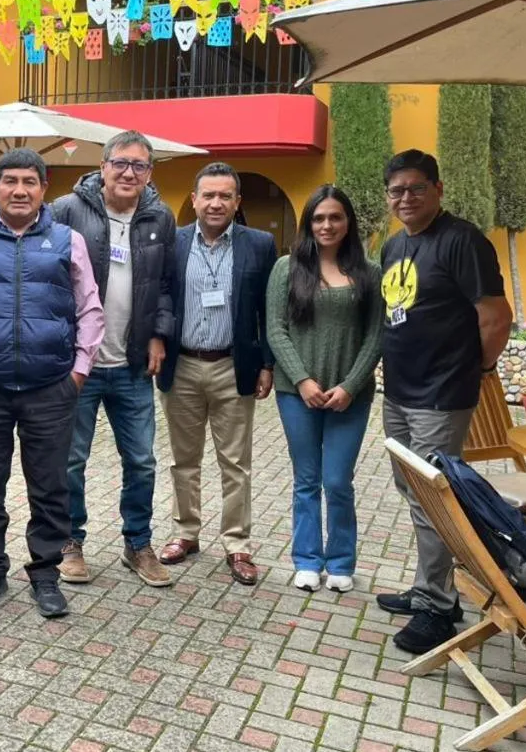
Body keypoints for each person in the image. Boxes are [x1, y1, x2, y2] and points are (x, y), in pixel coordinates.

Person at [0, 148, 103, 618]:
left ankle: (46, 574)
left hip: (50, 386)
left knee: (50, 486)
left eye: (29, 181)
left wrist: (78, 372)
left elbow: (90, 307)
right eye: (9, 180)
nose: (19, 190)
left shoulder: (66, 240)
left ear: (43, 189)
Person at [375, 150, 512, 654]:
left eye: (415, 188)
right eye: (397, 191)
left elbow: (496, 316)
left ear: (438, 189)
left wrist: (478, 370)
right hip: (401, 392)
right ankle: (433, 589)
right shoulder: (394, 247)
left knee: (434, 496)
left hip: (440, 395)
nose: (405, 198)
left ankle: (437, 608)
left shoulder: (463, 241)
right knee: (412, 491)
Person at [50, 130, 176, 588]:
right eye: (120, 163)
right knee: (71, 460)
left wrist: (160, 335)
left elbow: (166, 286)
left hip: (133, 366)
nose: (129, 172)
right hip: (78, 365)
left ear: (149, 173)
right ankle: (70, 541)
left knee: (141, 459)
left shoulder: (160, 217)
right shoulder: (67, 211)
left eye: (139, 165)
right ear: (102, 167)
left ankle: (137, 544)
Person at [158, 162, 276, 586]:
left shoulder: (260, 245)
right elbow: (162, 297)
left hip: (233, 366)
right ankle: (185, 533)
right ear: (193, 200)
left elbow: (267, 309)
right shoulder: (173, 241)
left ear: (237, 202)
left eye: (225, 195)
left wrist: (267, 364)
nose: (215, 202)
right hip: (183, 364)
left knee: (235, 462)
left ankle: (236, 543)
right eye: (208, 195)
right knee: (183, 460)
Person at [266, 186, 382, 595]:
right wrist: (303, 380)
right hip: (297, 393)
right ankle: (307, 560)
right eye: (319, 218)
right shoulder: (287, 267)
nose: (327, 225)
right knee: (306, 478)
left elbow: (375, 335)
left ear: (348, 222)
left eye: (335, 217)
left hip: (350, 396)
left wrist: (350, 386)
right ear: (308, 223)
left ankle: (341, 561)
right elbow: (276, 330)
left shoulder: (368, 271)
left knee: (337, 480)